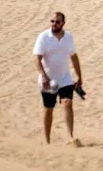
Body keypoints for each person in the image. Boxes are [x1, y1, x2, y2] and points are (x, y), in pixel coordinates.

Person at [34, 12, 82, 145]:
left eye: (57, 22)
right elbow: (37, 59)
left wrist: (79, 76)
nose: (54, 24)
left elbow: (73, 56)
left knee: (67, 103)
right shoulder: (44, 37)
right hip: (48, 80)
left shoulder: (69, 37)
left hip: (65, 78)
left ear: (63, 23)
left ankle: (70, 137)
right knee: (49, 109)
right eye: (52, 21)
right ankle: (47, 141)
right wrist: (44, 76)